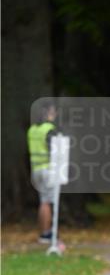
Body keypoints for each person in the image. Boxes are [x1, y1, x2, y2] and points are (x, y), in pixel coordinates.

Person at [27, 102, 58, 243]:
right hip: (47, 170)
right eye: (52, 112)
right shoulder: (49, 129)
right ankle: (46, 233)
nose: (54, 115)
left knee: (42, 201)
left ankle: (44, 231)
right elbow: (55, 151)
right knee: (47, 202)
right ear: (47, 114)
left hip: (36, 170)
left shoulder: (32, 130)